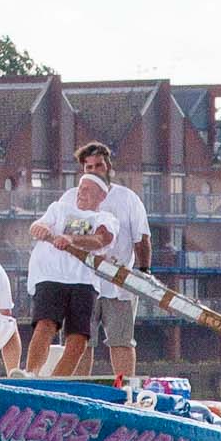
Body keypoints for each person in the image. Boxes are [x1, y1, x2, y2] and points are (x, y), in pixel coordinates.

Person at [24, 173, 120, 377]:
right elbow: (38, 225)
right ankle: (31, 375)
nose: (81, 192)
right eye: (80, 187)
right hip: (50, 276)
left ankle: (56, 383)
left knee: (78, 339)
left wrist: (71, 239)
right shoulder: (58, 208)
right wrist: (39, 228)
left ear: (101, 196)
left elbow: (101, 239)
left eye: (88, 189)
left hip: (83, 281)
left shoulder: (105, 218)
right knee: (46, 324)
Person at [71, 141, 150, 378]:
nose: (94, 171)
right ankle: (80, 392)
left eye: (99, 166)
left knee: (121, 341)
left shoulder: (127, 198)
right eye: (89, 167)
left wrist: (144, 272)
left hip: (119, 283)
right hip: (82, 282)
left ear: (108, 167)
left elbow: (142, 238)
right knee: (81, 341)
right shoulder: (73, 199)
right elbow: (71, 236)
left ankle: (124, 391)